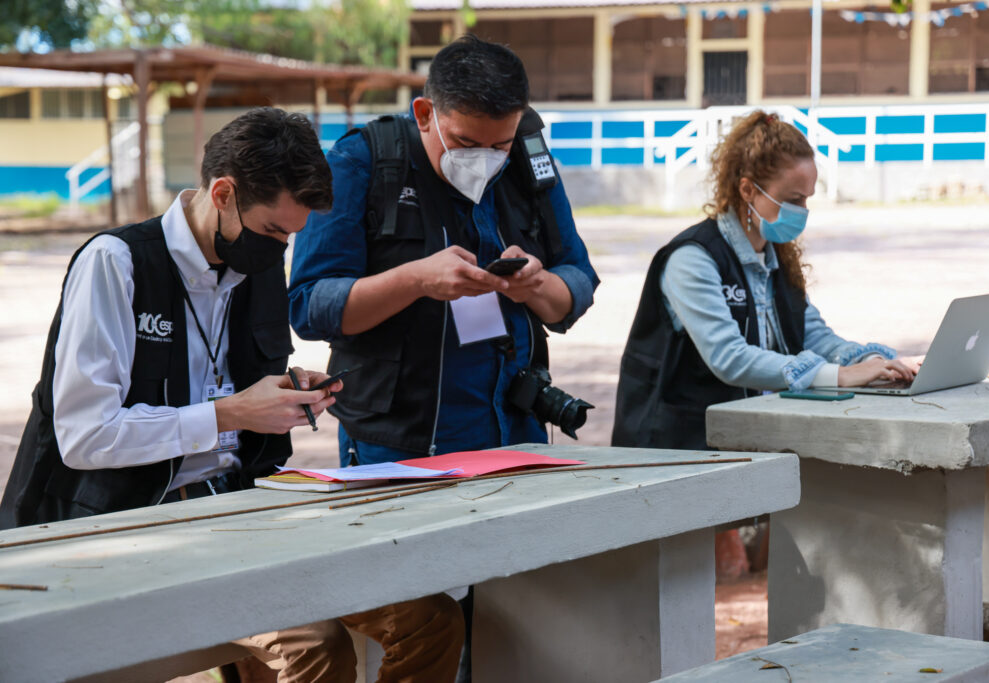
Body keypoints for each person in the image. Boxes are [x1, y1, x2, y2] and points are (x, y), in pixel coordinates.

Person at [0, 107, 463, 683]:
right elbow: (84, 436)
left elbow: (235, 381)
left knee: (432, 619)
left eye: (291, 236)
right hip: (133, 523)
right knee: (317, 648)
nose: (282, 249)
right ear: (223, 192)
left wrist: (288, 392)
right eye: (274, 231)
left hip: (242, 507)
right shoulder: (115, 264)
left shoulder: (257, 266)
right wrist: (231, 412)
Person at [288, 34, 599, 466]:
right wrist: (414, 281)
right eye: (466, 144)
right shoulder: (362, 163)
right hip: (401, 447)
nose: (484, 160)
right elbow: (308, 307)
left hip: (517, 433)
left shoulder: (527, 162)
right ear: (424, 114)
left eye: (499, 146)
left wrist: (535, 284)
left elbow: (579, 281)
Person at [613, 110, 915, 451]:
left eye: (807, 199)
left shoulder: (776, 257)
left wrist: (871, 363)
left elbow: (812, 334)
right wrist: (837, 376)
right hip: (672, 451)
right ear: (747, 190)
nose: (803, 211)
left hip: (735, 443)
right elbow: (729, 357)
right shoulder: (692, 259)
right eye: (792, 200)